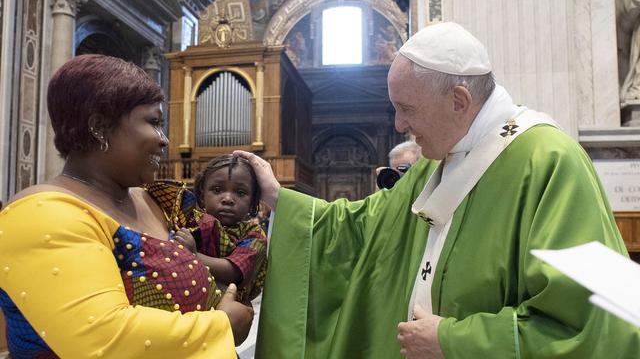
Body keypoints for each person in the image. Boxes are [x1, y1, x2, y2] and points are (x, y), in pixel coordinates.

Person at [236, 22, 640, 358]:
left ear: (459, 101)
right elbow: (365, 229)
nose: (398, 124)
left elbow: (597, 320)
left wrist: (453, 341)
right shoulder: (435, 162)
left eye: (407, 109)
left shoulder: (549, 162)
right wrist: (280, 199)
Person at [0, 54, 253, 358]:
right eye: (154, 122)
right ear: (99, 127)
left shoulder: (156, 201)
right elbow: (104, 337)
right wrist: (223, 325)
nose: (164, 141)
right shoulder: (41, 214)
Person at [173, 155, 268, 303]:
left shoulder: (254, 234)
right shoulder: (191, 220)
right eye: (217, 190)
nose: (228, 198)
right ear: (202, 195)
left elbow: (235, 272)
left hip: (230, 307)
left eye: (240, 193)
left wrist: (194, 255)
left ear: (252, 201)